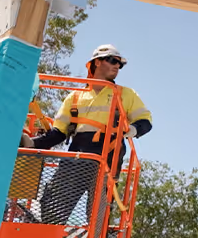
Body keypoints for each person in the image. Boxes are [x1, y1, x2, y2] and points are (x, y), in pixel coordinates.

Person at [23, 45, 152, 228]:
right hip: (77, 156)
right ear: (97, 62)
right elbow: (58, 133)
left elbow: (145, 121)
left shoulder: (125, 94)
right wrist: (31, 144)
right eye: (113, 61)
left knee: (99, 212)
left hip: (107, 158)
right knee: (53, 203)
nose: (117, 66)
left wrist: (133, 129)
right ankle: (47, 233)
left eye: (120, 64)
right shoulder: (75, 97)